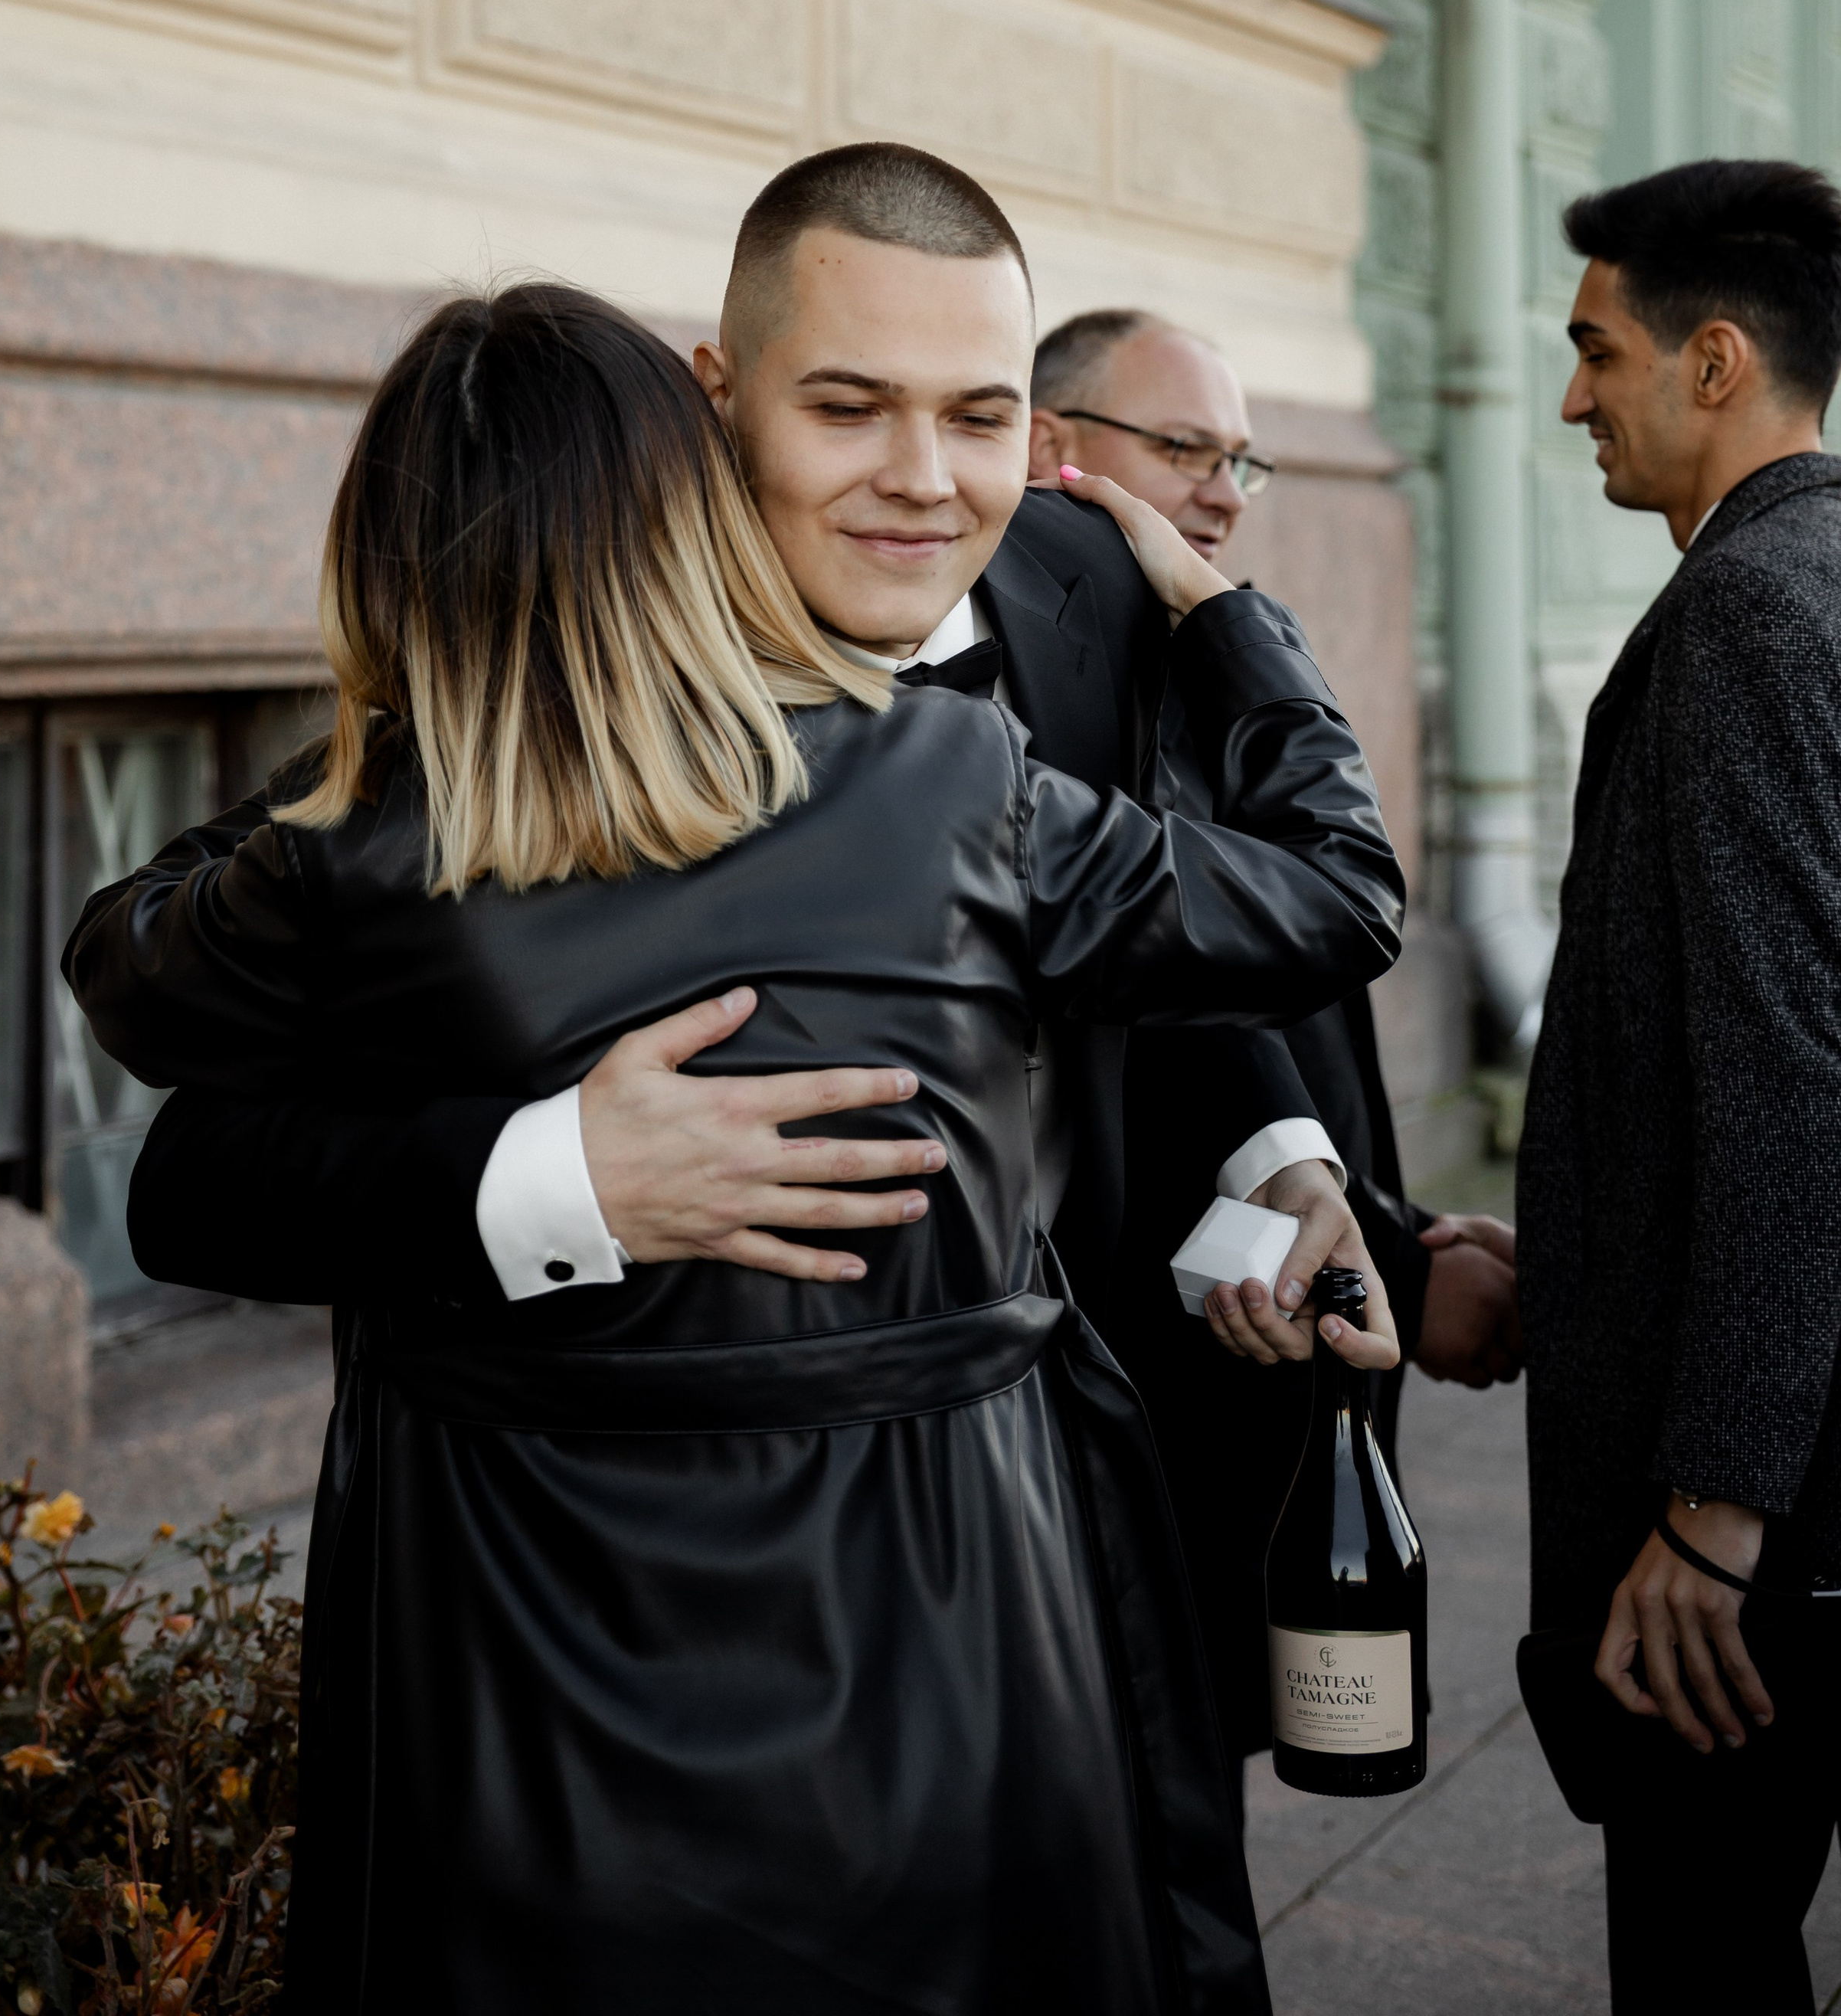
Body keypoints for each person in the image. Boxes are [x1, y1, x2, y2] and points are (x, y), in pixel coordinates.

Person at [67, 280, 1404, 2014]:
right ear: (696, 484)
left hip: (527, 1645)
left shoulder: (365, 844)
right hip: (919, 1609)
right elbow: (1335, 890)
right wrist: (1227, 617)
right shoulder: (946, 781)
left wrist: (402, 735)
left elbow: (138, 1010)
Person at [128, 148, 1369, 1357]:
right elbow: (201, 1141)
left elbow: (1171, 909)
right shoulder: (546, 678)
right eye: (847, 408)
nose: (924, 481)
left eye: (977, 418)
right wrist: (554, 1175)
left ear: (1034, 429)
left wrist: (1278, 1147)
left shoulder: (1100, 576)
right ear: (718, 396)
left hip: (1072, 1441)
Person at [1028, 308, 1522, 1771]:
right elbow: (1179, 1024)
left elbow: (1279, 1022)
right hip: (1166, 1362)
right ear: (1057, 452)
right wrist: (1377, 1244)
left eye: (1242, 459)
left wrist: (1395, 1228)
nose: (1228, 494)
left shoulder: (1188, 662)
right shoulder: (1064, 700)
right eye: (1184, 449)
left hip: (1300, 1306)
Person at [1520, 159, 1841, 2014]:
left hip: (1760, 1530)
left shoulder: (1743, 616)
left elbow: (1797, 1075)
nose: (1574, 398)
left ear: (1712, 361)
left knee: (1707, 1967)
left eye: (1596, 351)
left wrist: (1713, 1507)